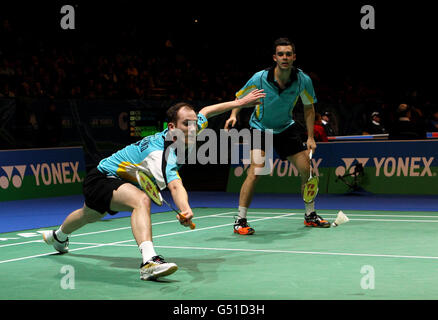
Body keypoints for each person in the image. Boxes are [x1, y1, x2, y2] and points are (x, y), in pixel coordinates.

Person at [42, 89, 265, 280]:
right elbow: (175, 185)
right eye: (186, 124)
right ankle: (149, 262)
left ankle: (58, 237)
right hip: (102, 177)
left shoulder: (190, 128)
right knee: (141, 200)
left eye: (194, 123)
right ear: (172, 127)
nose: (193, 127)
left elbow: (206, 111)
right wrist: (185, 209)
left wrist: (240, 103)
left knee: (89, 214)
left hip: (116, 178)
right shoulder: (161, 154)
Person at [224, 37, 330, 235]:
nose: (285, 57)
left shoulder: (303, 80)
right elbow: (240, 97)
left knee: (308, 171)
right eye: (281, 54)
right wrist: (233, 115)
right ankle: (240, 220)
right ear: (274, 57)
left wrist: (310, 137)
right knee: (256, 172)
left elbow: (308, 107)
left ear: (294, 57)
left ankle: (310, 215)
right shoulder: (260, 78)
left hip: (285, 128)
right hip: (260, 128)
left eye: (288, 54)